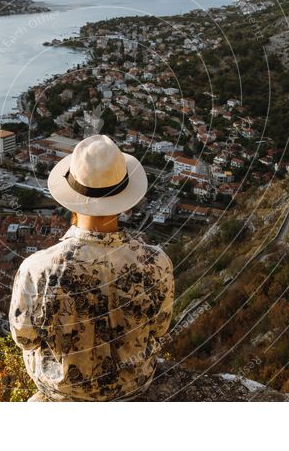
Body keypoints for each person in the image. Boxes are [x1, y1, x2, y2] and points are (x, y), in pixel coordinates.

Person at [9, 134, 174, 401]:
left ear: (71, 196)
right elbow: (159, 328)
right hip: (132, 386)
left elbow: (25, 339)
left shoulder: (37, 269)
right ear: (125, 198)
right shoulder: (157, 263)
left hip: (62, 391)